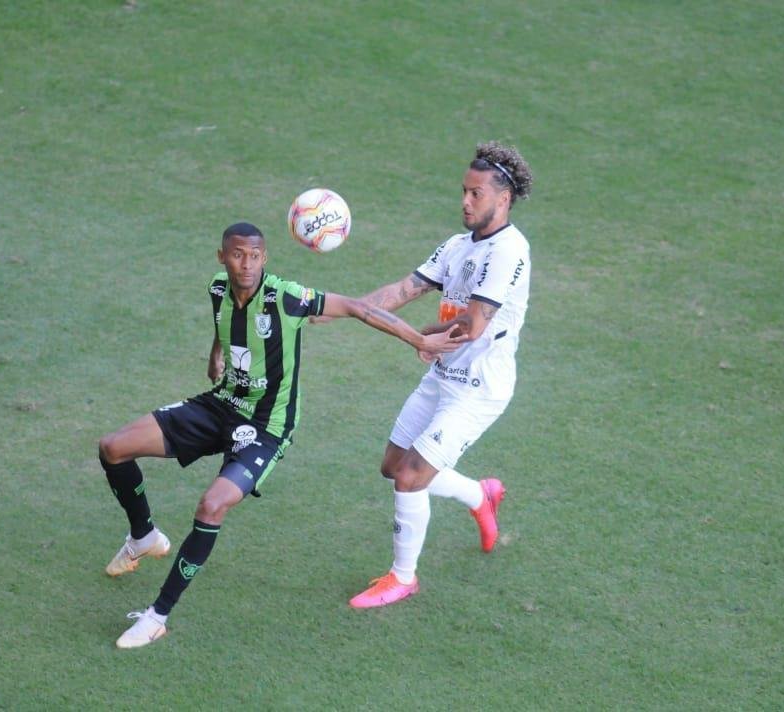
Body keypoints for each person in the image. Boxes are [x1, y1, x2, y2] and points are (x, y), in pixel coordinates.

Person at [98, 221, 465, 648]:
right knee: (113, 447)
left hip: (265, 427)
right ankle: (143, 536)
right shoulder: (218, 287)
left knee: (212, 505)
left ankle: (157, 616)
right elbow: (224, 323)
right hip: (220, 405)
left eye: (255, 256)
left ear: (265, 258)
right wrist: (216, 355)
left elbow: (356, 308)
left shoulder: (285, 297)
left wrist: (418, 339)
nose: (247, 264)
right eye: (238, 255)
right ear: (222, 257)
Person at [347, 141, 534, 608]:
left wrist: (422, 336)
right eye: (464, 192)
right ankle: (479, 495)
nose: (465, 202)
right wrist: (340, 307)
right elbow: (404, 289)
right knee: (393, 467)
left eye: (475, 194)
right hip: (443, 376)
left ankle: (402, 578)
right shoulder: (456, 246)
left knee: (411, 476)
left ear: (503, 198)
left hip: (480, 390)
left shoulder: (509, 250)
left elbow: (474, 325)